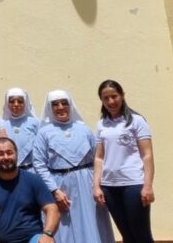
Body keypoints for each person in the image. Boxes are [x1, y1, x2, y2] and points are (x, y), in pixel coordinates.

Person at [32, 90, 114, 243]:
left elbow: (98, 158)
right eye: (55, 104)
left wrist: (97, 186)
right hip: (60, 186)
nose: (60, 107)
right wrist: (54, 190)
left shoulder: (84, 130)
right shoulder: (43, 133)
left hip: (87, 183)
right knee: (65, 227)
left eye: (64, 103)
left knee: (92, 223)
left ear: (70, 105)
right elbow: (39, 164)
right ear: (50, 108)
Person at [93, 80, 155, 243]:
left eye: (114, 96)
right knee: (127, 235)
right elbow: (99, 157)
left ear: (122, 96)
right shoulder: (101, 124)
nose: (111, 102)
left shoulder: (136, 121)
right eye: (106, 98)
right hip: (110, 187)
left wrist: (147, 186)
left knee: (141, 235)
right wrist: (97, 186)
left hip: (133, 184)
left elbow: (147, 155)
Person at [0, 138, 60, 243]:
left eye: (9, 153)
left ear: (16, 154)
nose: (5, 157)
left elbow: (52, 208)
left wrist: (47, 234)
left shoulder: (33, 180)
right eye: (0, 154)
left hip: (33, 240)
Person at [1, 88, 38, 171]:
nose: (16, 104)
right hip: (8, 171)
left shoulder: (34, 123)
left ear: (25, 103)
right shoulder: (2, 124)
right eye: (12, 101)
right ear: (7, 103)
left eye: (20, 101)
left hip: (31, 170)